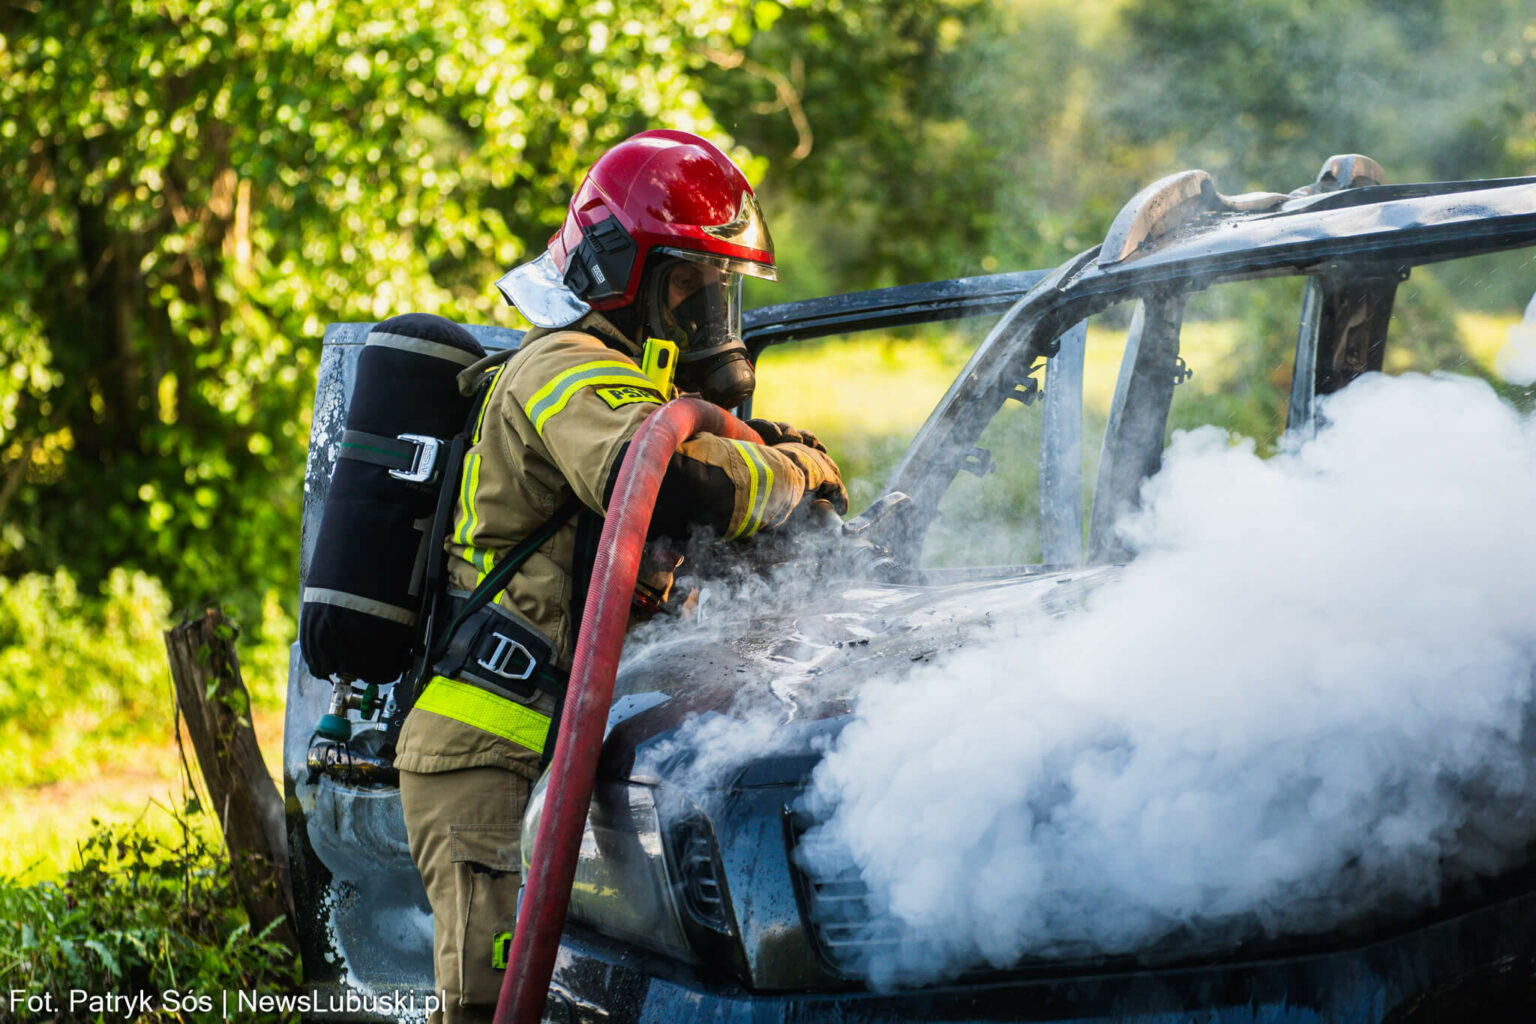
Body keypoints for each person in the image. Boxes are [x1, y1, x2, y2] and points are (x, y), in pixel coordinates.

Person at [394, 129, 847, 1023]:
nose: (714, 320)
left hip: (550, 750)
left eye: (722, 294)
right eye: (693, 289)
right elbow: (671, 475)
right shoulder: (561, 366)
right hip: (483, 751)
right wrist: (796, 472)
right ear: (621, 273)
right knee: (493, 1008)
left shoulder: (624, 383)